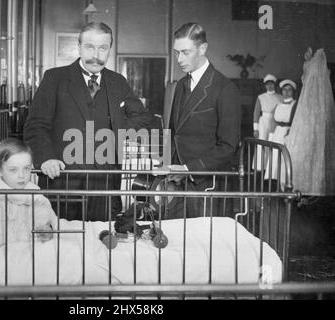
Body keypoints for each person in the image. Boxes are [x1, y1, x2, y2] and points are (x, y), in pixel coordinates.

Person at [23, 22, 152, 221]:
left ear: (110, 49)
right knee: (60, 243)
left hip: (105, 180)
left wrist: (113, 134)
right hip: (61, 179)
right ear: (79, 47)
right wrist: (46, 157)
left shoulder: (118, 82)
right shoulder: (55, 78)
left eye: (103, 48)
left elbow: (142, 117)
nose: (96, 54)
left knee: (101, 241)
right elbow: (35, 125)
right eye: (90, 47)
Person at [166, 22, 241, 219]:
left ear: (203, 49)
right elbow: (175, 132)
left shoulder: (224, 88)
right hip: (176, 184)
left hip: (206, 186)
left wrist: (189, 169)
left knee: (203, 244)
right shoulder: (181, 84)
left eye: (185, 52)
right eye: (176, 52)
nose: (179, 59)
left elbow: (228, 146)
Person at [0, 138, 57, 247]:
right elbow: (1, 239)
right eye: (13, 170)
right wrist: (32, 237)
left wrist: (47, 229)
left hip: (34, 248)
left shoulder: (34, 192)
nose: (21, 175)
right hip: (8, 253)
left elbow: (45, 216)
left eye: (26, 168)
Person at [285, 48, 335, 196]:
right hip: (307, 115)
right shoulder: (306, 102)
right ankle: (306, 186)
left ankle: (315, 186)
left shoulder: (319, 99)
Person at [264, 79, 297, 183]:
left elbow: (296, 121)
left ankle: (285, 181)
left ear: (293, 92)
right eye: (284, 90)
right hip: (278, 132)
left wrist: (291, 132)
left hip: (289, 132)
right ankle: (274, 181)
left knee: (285, 156)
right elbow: (274, 122)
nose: (286, 92)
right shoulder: (277, 105)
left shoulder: (295, 105)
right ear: (281, 91)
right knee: (275, 155)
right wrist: (271, 137)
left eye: (289, 90)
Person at [252, 74, 282, 170]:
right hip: (263, 122)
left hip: (276, 122)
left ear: (275, 85)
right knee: (262, 143)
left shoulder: (280, 97)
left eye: (272, 84)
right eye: (267, 84)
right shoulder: (261, 97)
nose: (270, 86)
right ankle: (261, 167)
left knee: (272, 142)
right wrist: (255, 129)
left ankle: (271, 168)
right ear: (265, 85)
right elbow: (256, 113)